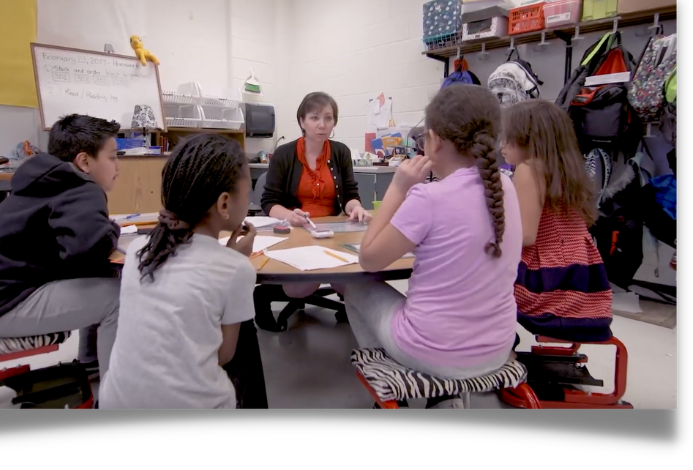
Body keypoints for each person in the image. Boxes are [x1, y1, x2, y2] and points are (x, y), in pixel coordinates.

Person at [342, 85, 523, 409]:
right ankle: (442, 398)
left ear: (435, 140)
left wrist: (398, 187)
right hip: (498, 347)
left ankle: (394, 377)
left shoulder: (429, 198)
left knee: (352, 286)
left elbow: (368, 259)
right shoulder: (506, 187)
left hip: (432, 353)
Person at [100, 134, 268, 409]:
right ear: (224, 204)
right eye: (247, 192)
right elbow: (223, 356)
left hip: (114, 400)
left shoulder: (139, 250)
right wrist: (234, 261)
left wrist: (228, 259)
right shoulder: (236, 269)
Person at [0, 114, 122, 379]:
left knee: (99, 277)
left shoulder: (47, 179)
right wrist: (112, 229)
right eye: (113, 157)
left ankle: (91, 361)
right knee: (118, 297)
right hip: (0, 307)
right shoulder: (82, 187)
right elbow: (91, 251)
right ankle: (116, 396)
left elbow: (78, 252)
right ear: (84, 161)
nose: (118, 166)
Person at [500, 99, 613, 343]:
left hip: (546, 282)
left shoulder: (528, 168)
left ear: (528, 138)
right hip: (583, 278)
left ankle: (493, 347)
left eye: (508, 138)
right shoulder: (566, 167)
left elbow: (526, 236)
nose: (502, 146)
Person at [257, 92, 371, 329]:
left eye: (328, 118)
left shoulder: (340, 152)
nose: (322, 125)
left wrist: (356, 208)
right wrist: (289, 215)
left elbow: (350, 194)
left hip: (333, 231)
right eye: (314, 118)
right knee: (301, 288)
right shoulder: (285, 154)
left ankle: (338, 291)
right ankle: (263, 296)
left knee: (350, 282)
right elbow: (269, 202)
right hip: (296, 230)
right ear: (302, 121)